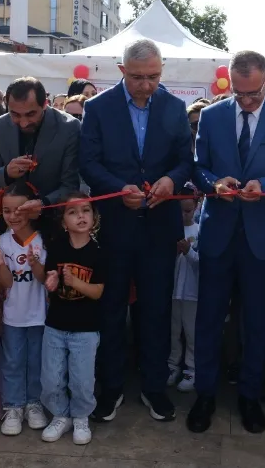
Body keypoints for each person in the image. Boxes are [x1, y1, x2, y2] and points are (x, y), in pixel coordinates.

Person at [188, 50, 265, 435]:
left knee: (257, 322)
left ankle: (250, 397)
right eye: (238, 93)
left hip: (263, 236)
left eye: (252, 93)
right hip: (219, 233)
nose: (245, 100)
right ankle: (204, 395)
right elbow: (198, 167)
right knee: (208, 320)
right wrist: (213, 185)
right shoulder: (212, 115)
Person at [79, 39, 192, 424]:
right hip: (115, 224)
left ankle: (154, 387)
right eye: (140, 78)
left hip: (160, 227)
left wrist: (169, 180)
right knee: (111, 310)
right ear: (122, 71)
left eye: (155, 77)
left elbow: (185, 160)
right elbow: (88, 162)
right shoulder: (97, 108)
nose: (147, 85)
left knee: (156, 311)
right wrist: (116, 189)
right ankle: (110, 389)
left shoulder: (175, 108)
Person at [36, 193, 105, 445]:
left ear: (94, 218)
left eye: (86, 211)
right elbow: (49, 279)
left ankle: (80, 417)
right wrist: (51, 282)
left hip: (86, 329)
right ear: (64, 221)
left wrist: (76, 282)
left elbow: (98, 291)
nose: (81, 216)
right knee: (51, 378)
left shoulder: (98, 251)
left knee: (82, 380)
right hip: (55, 326)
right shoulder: (57, 247)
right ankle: (61, 415)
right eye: (73, 212)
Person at [0, 182, 50, 436]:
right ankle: (13, 406)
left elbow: (44, 278)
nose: (13, 216)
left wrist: (35, 263)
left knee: (36, 361)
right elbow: (6, 284)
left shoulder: (43, 240)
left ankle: (34, 403)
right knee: (12, 362)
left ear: (33, 209)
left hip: (39, 316)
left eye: (19, 210)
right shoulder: (2, 242)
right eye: (7, 211)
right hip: (13, 316)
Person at [0, 77, 81, 219]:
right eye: (15, 114)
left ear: (45, 104)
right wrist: (6, 172)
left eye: (31, 114)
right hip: (12, 222)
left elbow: (71, 185)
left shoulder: (69, 127)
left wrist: (44, 203)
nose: (23, 123)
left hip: (53, 220)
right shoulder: (0, 125)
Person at [167, 189, 199, 393]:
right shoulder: (170, 229)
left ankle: (191, 369)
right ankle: (172, 365)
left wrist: (188, 252)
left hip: (192, 293)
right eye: (180, 211)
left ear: (196, 207)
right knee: (173, 331)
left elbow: (202, 265)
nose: (184, 215)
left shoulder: (199, 230)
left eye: (188, 210)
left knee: (191, 332)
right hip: (173, 291)